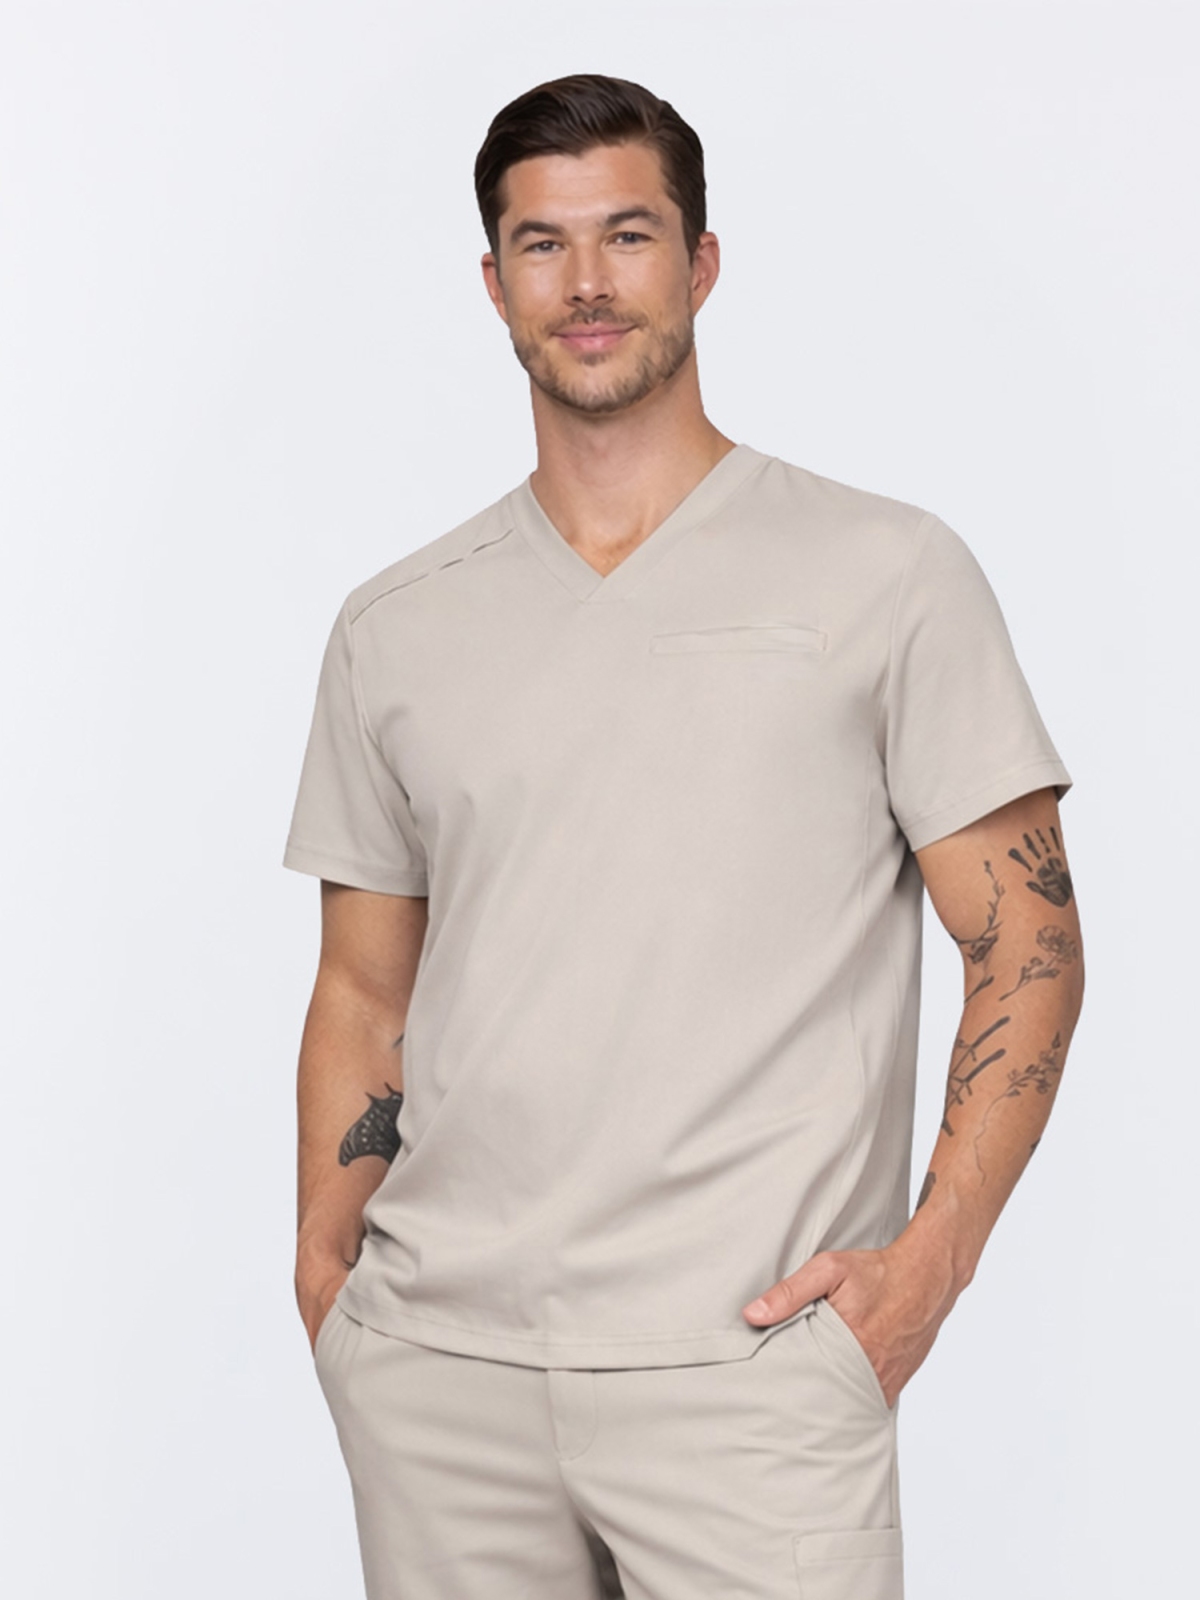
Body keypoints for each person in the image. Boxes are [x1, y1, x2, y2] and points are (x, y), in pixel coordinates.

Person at [284, 73, 1084, 1600]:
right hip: (441, 1382)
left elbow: (1028, 940)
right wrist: (332, 1277)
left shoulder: (887, 575)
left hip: (754, 1376)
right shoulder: (395, 628)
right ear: (493, 282)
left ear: (702, 263)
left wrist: (930, 1265)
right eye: (543, 244)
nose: (587, 282)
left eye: (630, 234)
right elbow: (363, 989)